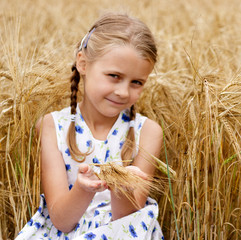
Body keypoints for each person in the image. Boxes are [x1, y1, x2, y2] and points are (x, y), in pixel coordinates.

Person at [16, 13, 164, 240]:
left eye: (137, 82)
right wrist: (83, 189)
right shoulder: (52, 126)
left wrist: (122, 186)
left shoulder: (149, 132)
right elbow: (61, 221)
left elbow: (130, 223)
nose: (124, 92)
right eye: (114, 76)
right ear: (83, 64)